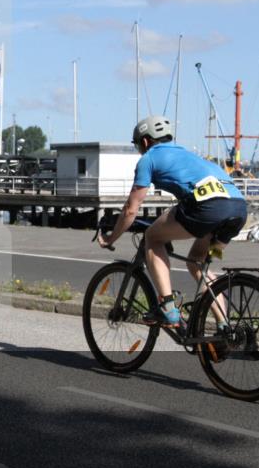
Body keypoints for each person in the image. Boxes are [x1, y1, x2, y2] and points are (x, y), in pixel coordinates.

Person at [98, 115, 248, 329]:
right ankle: (225, 327)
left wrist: (111, 237)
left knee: (152, 237)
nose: (139, 149)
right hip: (237, 213)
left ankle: (167, 309)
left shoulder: (148, 159)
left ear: (146, 141)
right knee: (199, 263)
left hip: (207, 209)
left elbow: (131, 209)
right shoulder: (190, 155)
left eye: (138, 145)